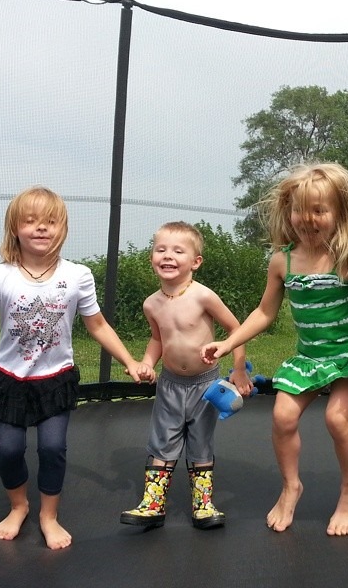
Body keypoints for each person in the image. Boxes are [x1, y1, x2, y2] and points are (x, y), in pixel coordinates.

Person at [0, 186, 148, 550]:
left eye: (50, 222)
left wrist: (131, 361)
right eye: (31, 221)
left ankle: (49, 515)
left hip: (55, 379)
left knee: (53, 448)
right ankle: (19, 506)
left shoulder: (77, 275)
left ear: (62, 229)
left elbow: (98, 325)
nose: (41, 228)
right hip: (9, 379)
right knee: (9, 450)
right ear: (15, 228)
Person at [201, 162, 348, 536]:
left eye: (319, 210)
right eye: (301, 210)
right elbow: (264, 312)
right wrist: (229, 342)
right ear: (289, 211)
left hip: (346, 357)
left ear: (339, 214)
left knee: (338, 419)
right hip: (308, 359)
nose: (308, 219)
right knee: (283, 417)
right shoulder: (282, 261)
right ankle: (290, 487)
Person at [120, 221, 252, 530]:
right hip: (170, 384)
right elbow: (157, 339)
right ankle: (153, 504)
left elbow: (236, 329)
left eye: (178, 251)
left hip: (205, 385)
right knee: (163, 440)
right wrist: (147, 363)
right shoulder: (151, 303)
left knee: (200, 442)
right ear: (152, 257)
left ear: (195, 262)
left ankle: (203, 504)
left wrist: (238, 369)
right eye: (161, 249)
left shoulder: (203, 296)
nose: (168, 255)